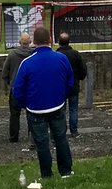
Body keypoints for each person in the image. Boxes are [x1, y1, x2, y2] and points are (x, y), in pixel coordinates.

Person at [12, 27, 74, 180]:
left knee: (42, 143)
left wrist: (25, 104)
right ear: (50, 40)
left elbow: (17, 89)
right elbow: (70, 82)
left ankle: (47, 174)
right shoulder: (61, 58)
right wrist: (62, 97)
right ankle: (65, 171)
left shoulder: (27, 63)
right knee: (60, 138)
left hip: (36, 109)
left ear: (34, 42)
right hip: (56, 106)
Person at [3, 32, 35, 143]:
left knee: (14, 114)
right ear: (30, 42)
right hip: (30, 88)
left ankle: (13, 136)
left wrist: (10, 83)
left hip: (16, 88)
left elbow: (4, 72)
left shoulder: (12, 55)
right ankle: (32, 135)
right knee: (31, 113)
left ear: (19, 42)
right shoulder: (33, 55)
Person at [56, 32, 87, 138]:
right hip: (73, 85)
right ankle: (74, 131)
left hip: (60, 87)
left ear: (59, 42)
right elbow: (83, 69)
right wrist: (79, 78)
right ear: (69, 41)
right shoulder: (75, 54)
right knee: (73, 109)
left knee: (61, 110)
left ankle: (62, 131)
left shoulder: (56, 55)